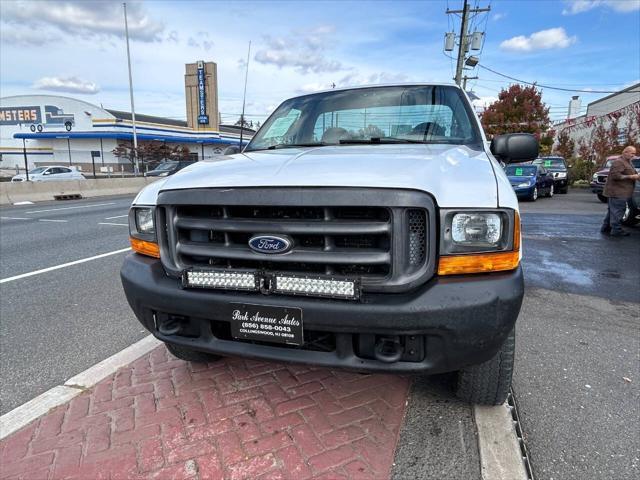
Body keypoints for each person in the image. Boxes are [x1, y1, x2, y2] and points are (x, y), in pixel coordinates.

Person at [600, 146, 639, 237]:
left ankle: (606, 228)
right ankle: (616, 230)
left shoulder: (628, 162)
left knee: (612, 211)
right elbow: (616, 176)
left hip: (621, 191)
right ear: (625, 152)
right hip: (617, 192)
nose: (634, 155)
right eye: (632, 153)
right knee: (618, 211)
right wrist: (631, 177)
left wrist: (635, 176)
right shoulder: (619, 162)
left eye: (634, 153)